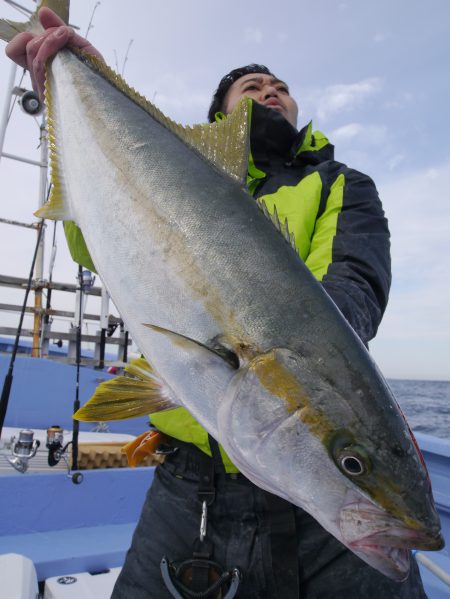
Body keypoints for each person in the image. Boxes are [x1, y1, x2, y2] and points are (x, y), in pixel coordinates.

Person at [5, 8, 429, 599]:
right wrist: (75, 89)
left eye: (280, 87)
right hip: (189, 484)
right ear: (219, 115)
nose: (271, 93)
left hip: (315, 521)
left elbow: (352, 282)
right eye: (251, 87)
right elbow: (87, 241)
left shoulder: (338, 183)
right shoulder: (164, 163)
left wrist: (294, 355)